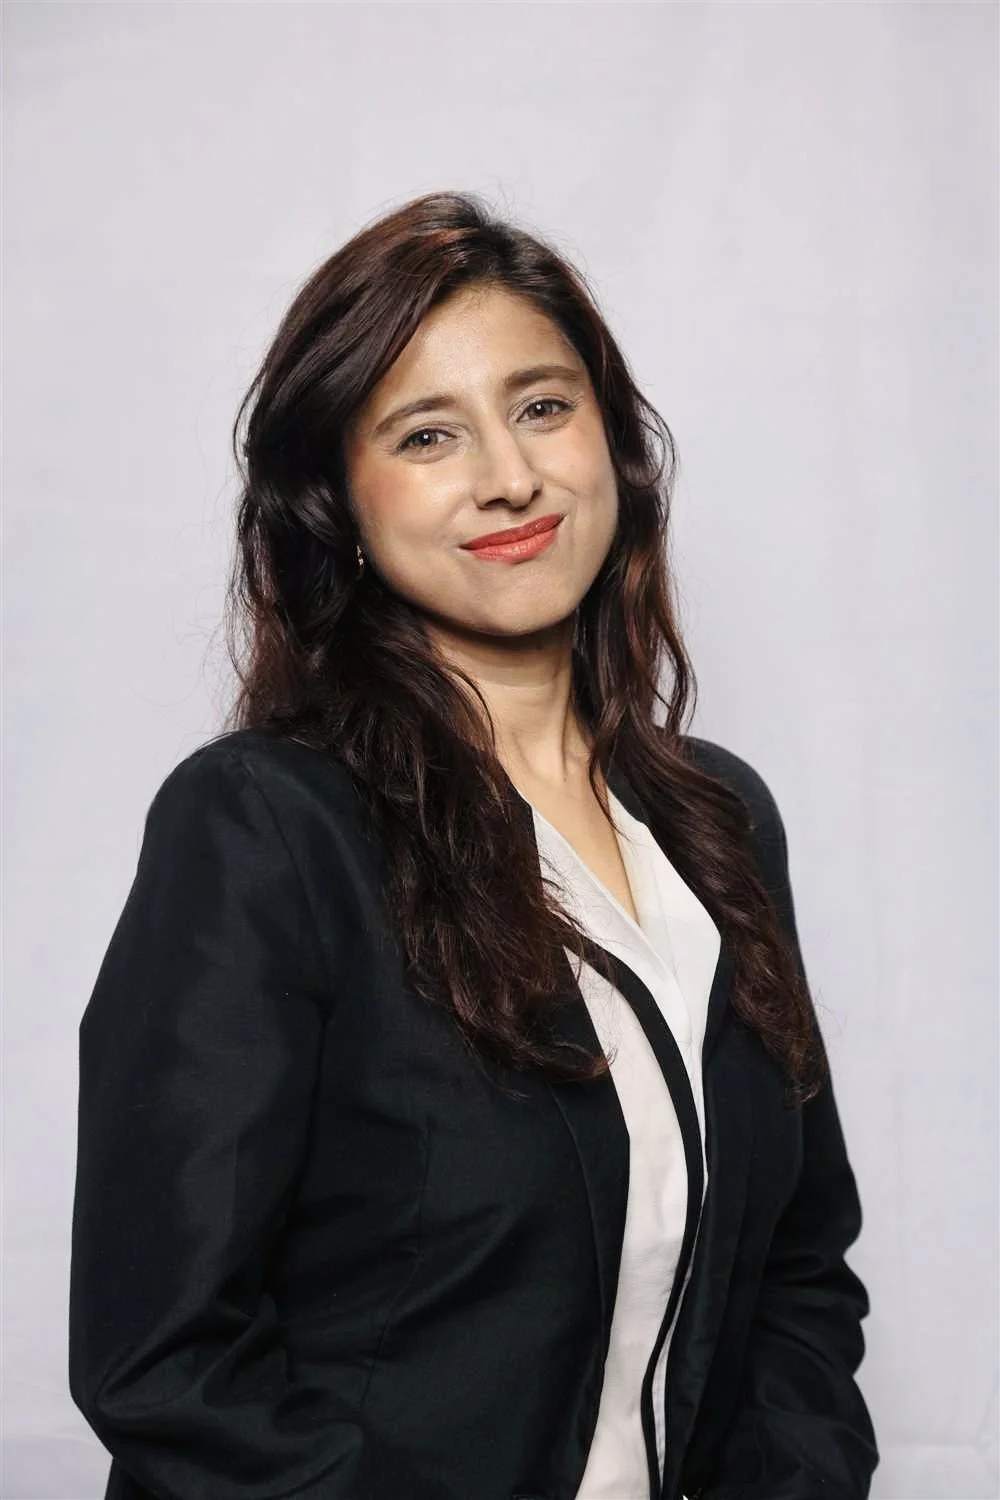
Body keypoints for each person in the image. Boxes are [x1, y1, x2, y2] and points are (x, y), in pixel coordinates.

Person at [68, 190, 878, 1500]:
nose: (508, 473)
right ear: (338, 501)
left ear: (613, 441)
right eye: (427, 432)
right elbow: (170, 1361)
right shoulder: (268, 829)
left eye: (544, 406)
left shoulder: (718, 820)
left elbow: (798, 1275)